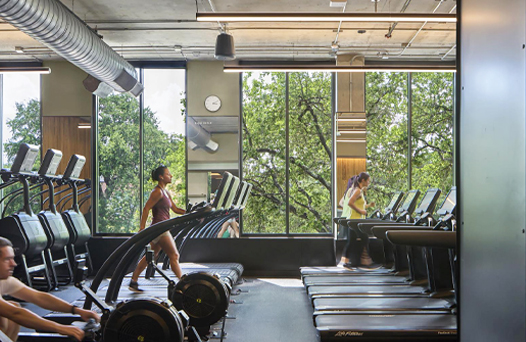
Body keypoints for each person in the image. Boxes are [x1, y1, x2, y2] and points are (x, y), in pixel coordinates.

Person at [0, 237, 100, 341]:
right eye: (7, 259)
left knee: (13, 306)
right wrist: (60, 328)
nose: (14, 264)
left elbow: (39, 297)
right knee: (6, 313)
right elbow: (16, 313)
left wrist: (76, 310)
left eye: (13, 258)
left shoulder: (5, 281)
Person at [129, 165, 186, 293]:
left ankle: (133, 281)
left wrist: (190, 212)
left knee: (152, 256)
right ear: (161, 177)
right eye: (168, 174)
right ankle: (183, 283)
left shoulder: (166, 192)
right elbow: (146, 208)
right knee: (174, 255)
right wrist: (142, 228)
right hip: (160, 228)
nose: (170, 176)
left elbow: (176, 209)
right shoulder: (157, 192)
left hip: (161, 228)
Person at [338, 172, 377, 268]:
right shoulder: (358, 191)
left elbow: (355, 203)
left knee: (352, 240)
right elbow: (350, 203)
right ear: (363, 180)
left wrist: (367, 206)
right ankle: (365, 261)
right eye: (368, 181)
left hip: (353, 220)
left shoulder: (355, 190)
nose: (368, 183)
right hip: (355, 220)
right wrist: (362, 212)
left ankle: (347, 261)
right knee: (364, 238)